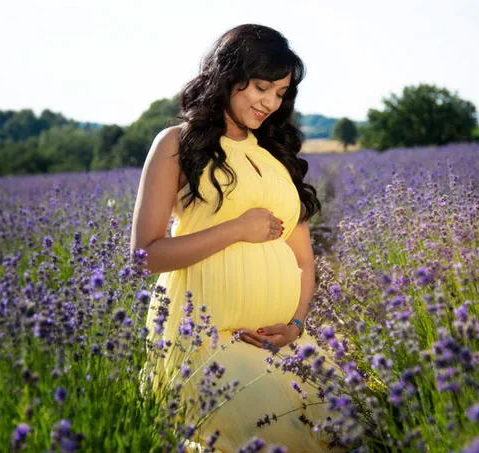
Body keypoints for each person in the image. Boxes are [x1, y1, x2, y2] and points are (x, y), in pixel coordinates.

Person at [131, 24, 346, 452]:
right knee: (271, 435)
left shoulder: (275, 157)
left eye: (281, 92)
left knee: (348, 425)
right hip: (208, 344)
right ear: (228, 77)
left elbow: (303, 259)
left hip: (282, 343)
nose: (270, 102)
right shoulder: (177, 143)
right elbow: (145, 256)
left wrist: (295, 325)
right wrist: (237, 229)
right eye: (262, 87)